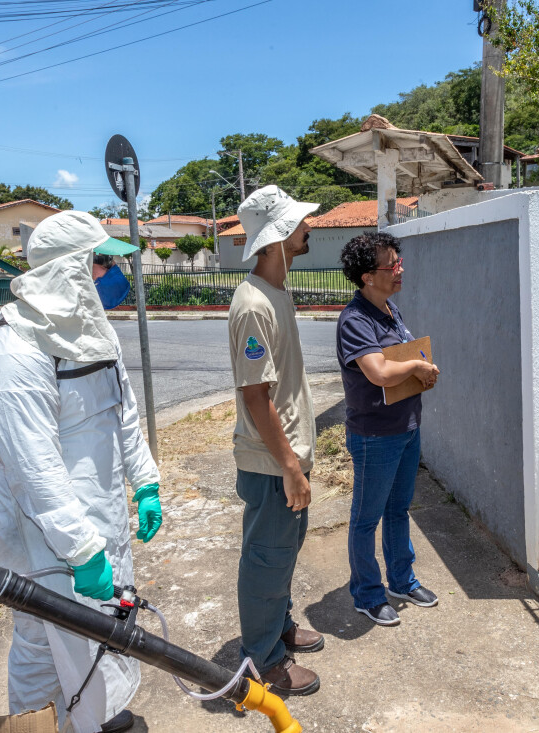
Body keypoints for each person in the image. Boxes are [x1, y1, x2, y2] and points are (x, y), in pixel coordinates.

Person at [0, 210, 164, 733]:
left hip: (96, 512)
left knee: (99, 629)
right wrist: (79, 547)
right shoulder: (14, 349)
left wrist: (145, 482)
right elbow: (33, 467)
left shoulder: (93, 334)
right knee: (43, 637)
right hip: (38, 526)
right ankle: (37, 726)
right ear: (69, 272)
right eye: (103, 263)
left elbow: (122, 411)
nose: (116, 275)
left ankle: (93, 717)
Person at [227, 185, 324, 696]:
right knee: (266, 556)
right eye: (299, 222)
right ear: (276, 239)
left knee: (281, 552)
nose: (308, 226)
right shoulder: (252, 305)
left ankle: (277, 628)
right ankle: (262, 659)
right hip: (271, 463)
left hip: (284, 457)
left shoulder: (276, 293)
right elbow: (255, 395)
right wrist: (288, 464)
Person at [336, 231, 440, 626]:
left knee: (398, 509)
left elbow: (404, 355)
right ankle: (367, 593)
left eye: (399, 262)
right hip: (374, 436)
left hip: (406, 427)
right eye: (391, 265)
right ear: (366, 275)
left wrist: (423, 371)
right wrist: (415, 367)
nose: (400, 270)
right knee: (367, 517)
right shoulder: (355, 320)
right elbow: (379, 372)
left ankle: (402, 580)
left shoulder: (389, 310)